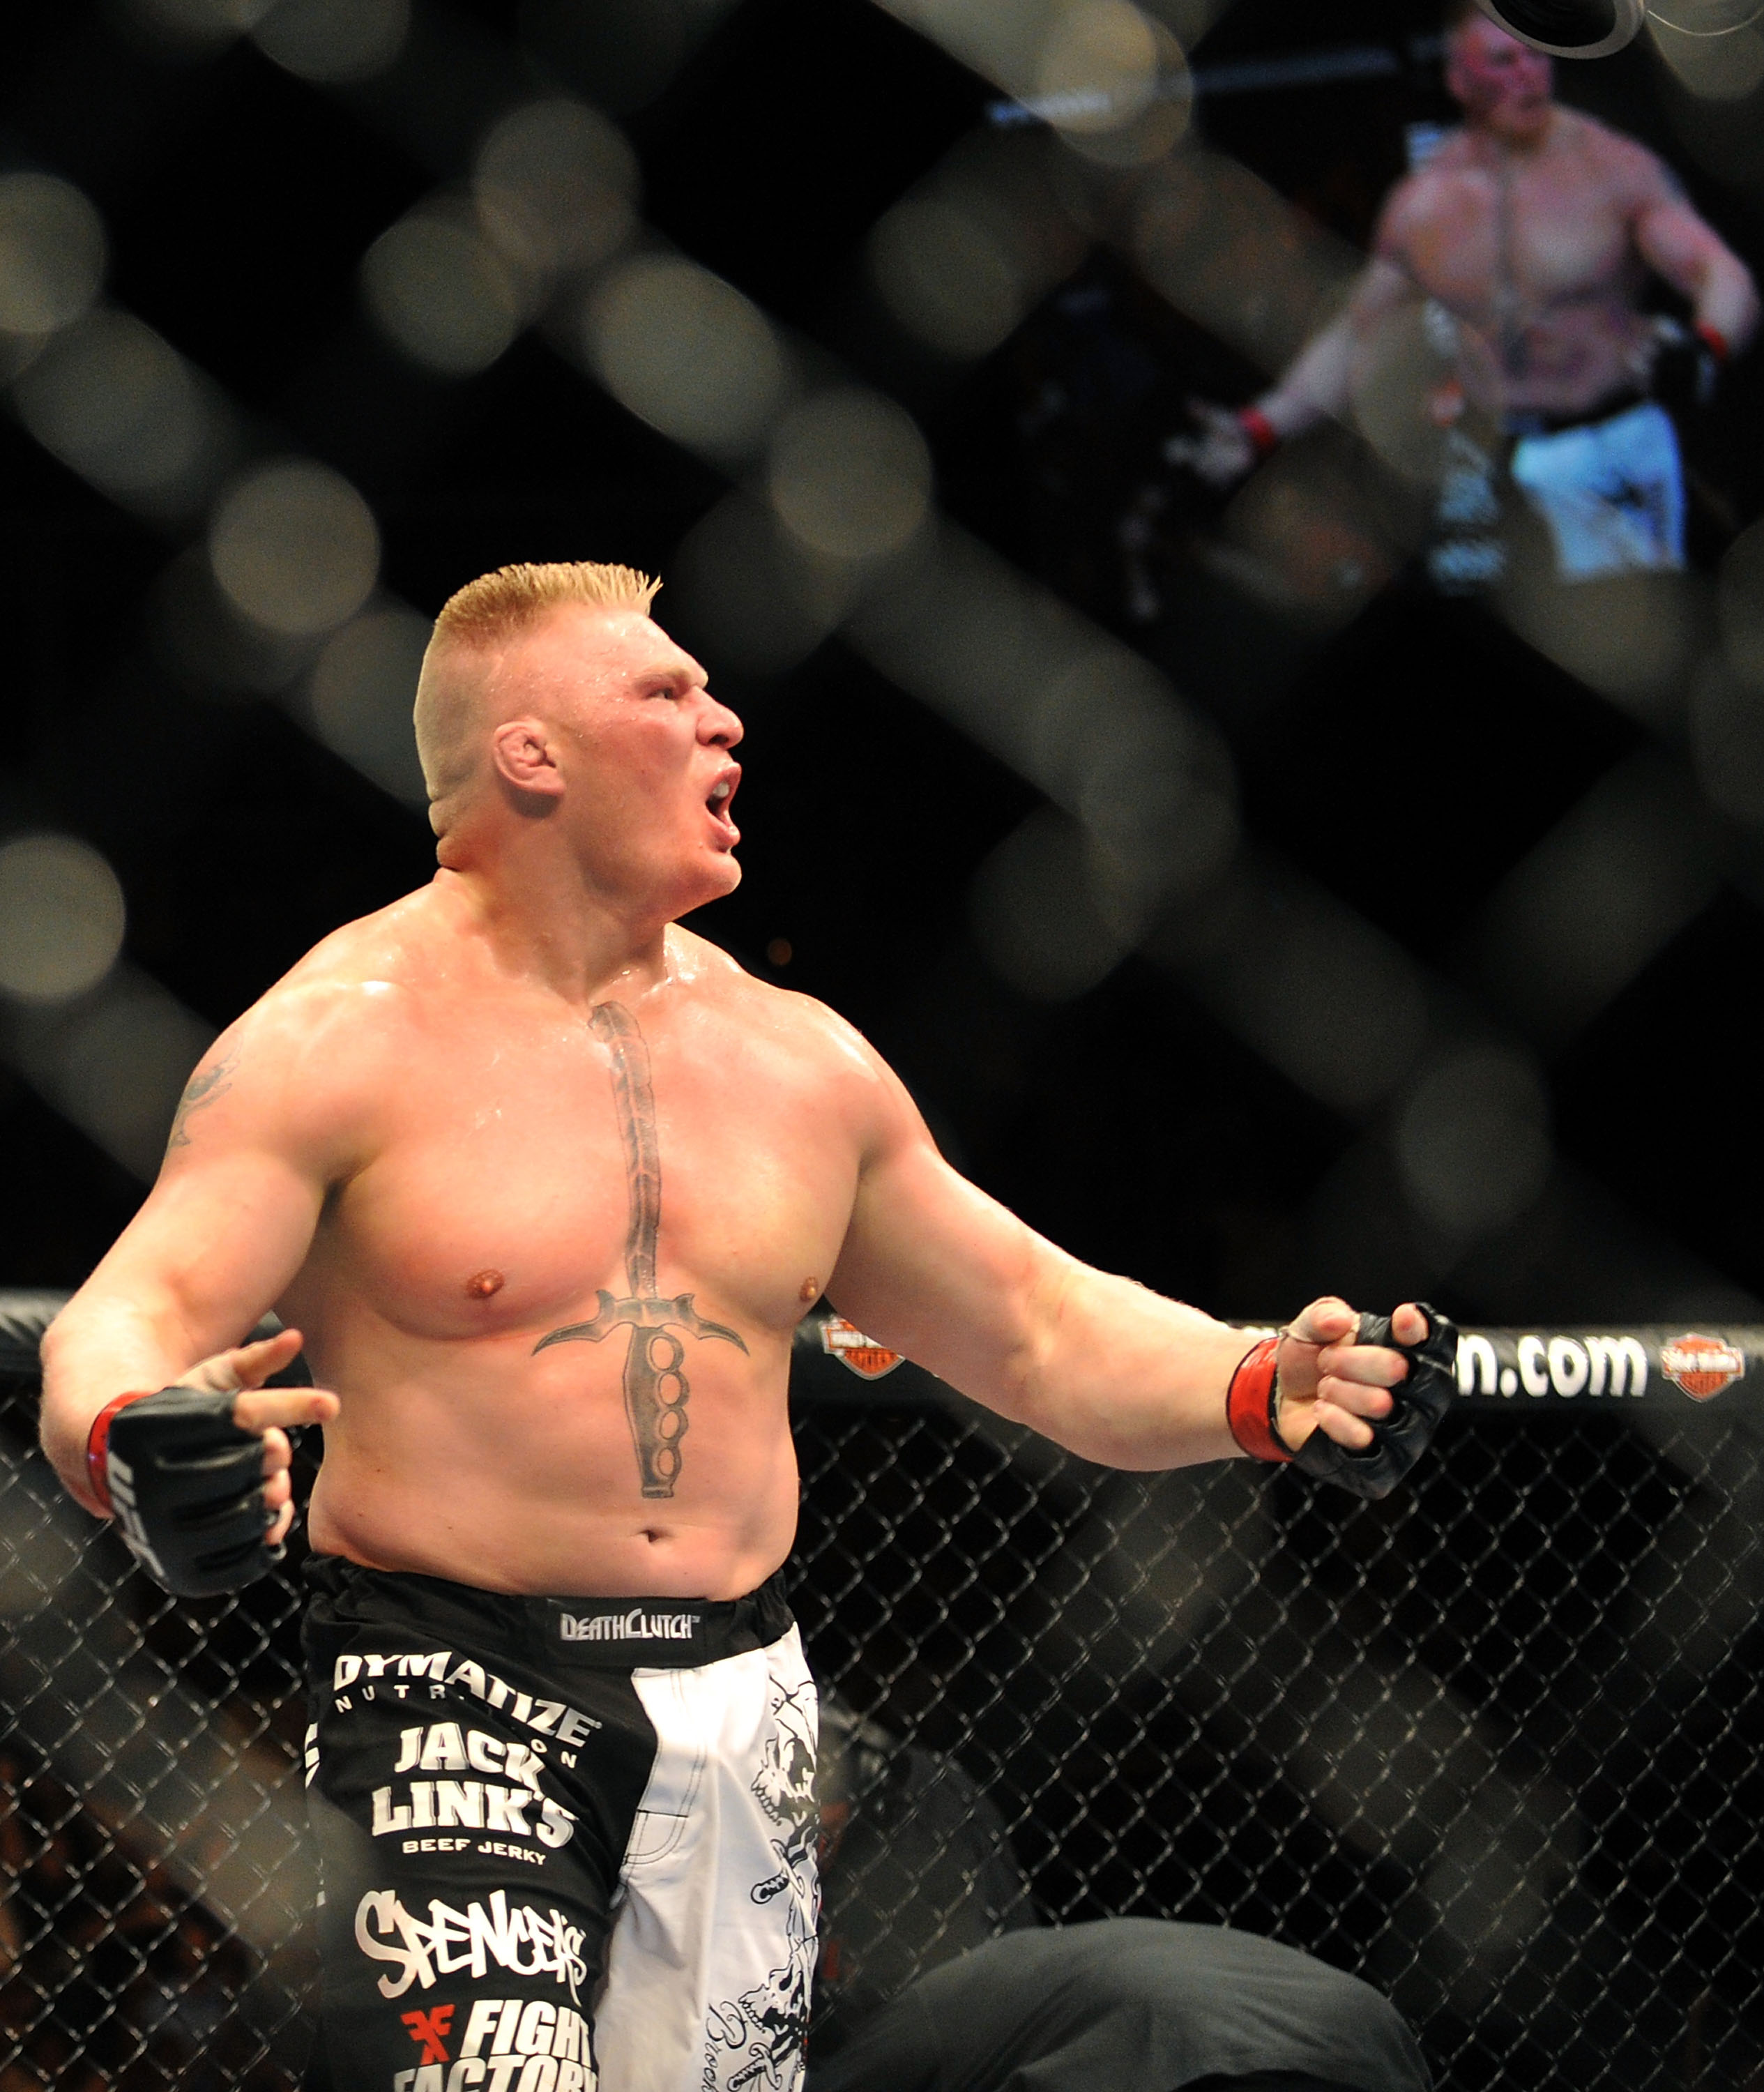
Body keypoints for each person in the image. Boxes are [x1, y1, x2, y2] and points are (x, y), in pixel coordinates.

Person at [37, 561, 1454, 2092]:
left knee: (1242, 2033)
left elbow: (1038, 1325)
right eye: (666, 693)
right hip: (456, 1702)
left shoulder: (802, 1066)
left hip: (749, 1708)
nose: (724, 723)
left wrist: (1263, 1382)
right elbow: (127, 1313)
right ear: (532, 753)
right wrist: (133, 1435)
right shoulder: (335, 1042)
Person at [1170, 1, 1759, 586]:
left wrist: (1705, 345)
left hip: (1619, 434)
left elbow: (1718, 272)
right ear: (1459, 77)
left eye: (1535, 58)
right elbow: (1355, 333)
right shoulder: (1424, 207)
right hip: (1512, 454)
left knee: (1647, 605)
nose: (1526, 75)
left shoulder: (1609, 168)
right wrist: (1260, 426)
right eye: (1503, 60)